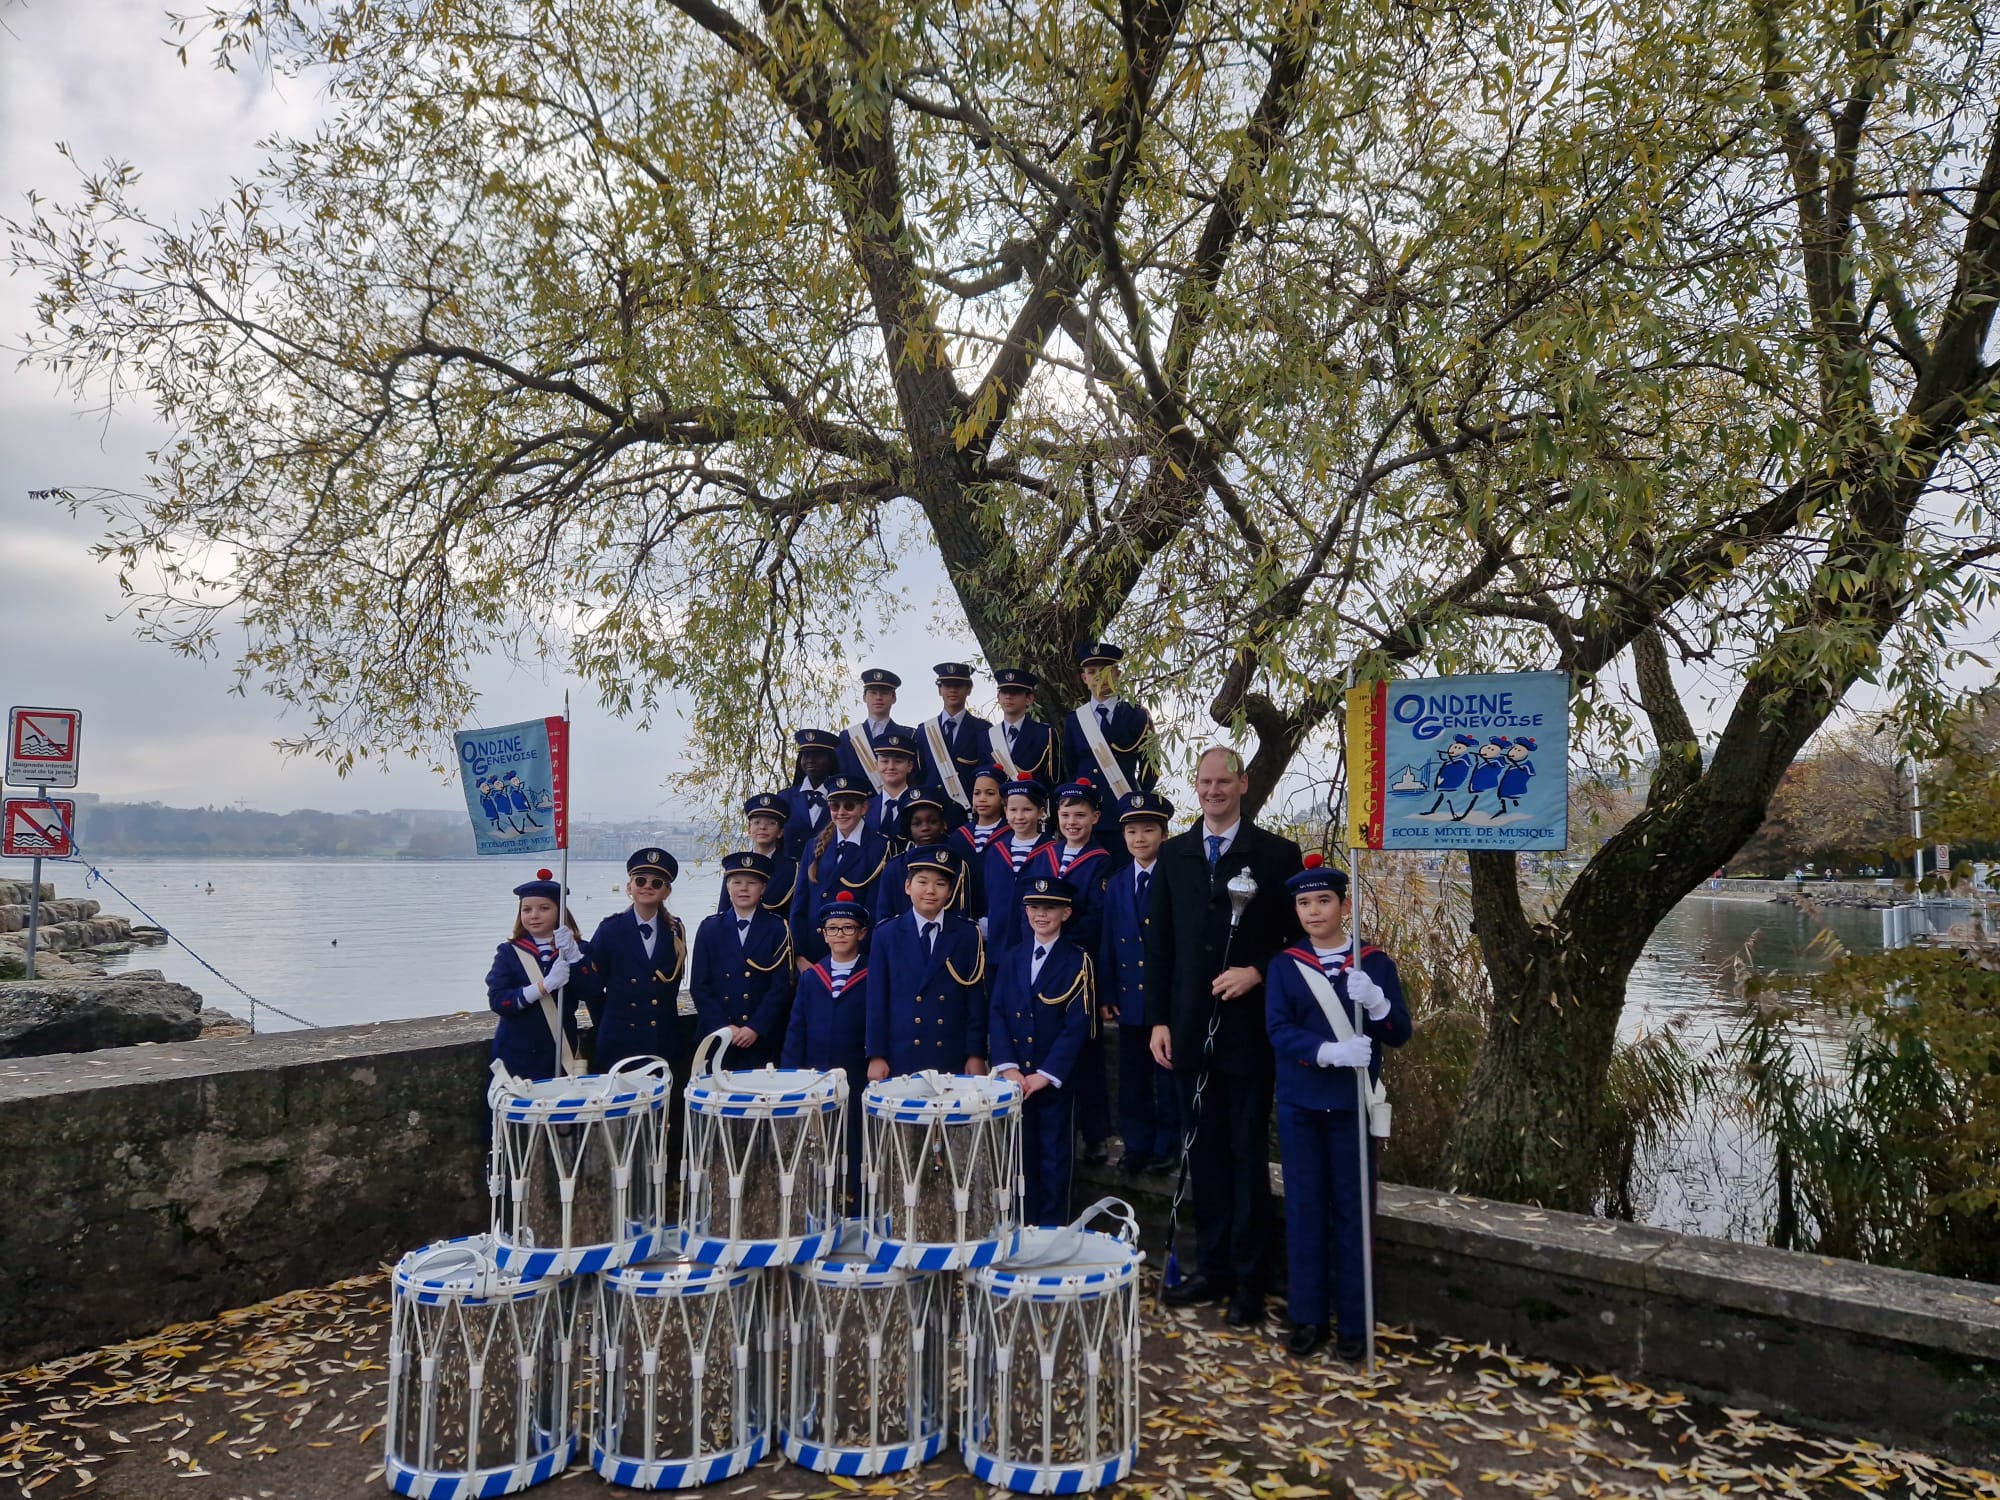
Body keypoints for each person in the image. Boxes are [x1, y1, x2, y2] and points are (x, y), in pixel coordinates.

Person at [1146, 746, 1303, 1326]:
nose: (1213, 791)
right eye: (1205, 782)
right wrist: (1159, 1020)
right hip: (1188, 1029)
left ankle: (1248, 1282)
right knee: (1203, 1156)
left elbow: (1298, 938)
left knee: (1245, 1157)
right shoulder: (1174, 854)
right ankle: (1209, 1269)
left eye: (1223, 782)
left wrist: (1257, 970)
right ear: (1196, 786)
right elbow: (1159, 944)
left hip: (1248, 1033)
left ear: (1242, 785)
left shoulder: (1276, 854)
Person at [1265, 855, 1412, 1360]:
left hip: (1353, 1106)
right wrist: (1329, 1052)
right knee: (1305, 1210)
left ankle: (1355, 1321)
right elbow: (1279, 1030)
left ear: (1344, 906)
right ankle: (1308, 1316)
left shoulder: (1374, 963)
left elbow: (1399, 1033)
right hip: (1301, 1103)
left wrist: (1377, 1004)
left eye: (1324, 901)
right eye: (1304, 903)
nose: (1313, 911)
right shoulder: (1285, 965)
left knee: (1354, 1213)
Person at [577, 849, 694, 1177]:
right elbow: (593, 988)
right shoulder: (610, 929)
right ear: (629, 887)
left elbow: (671, 987)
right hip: (620, 1039)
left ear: (666, 891)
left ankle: (660, 1182)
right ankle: (619, 1182)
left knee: (663, 1118)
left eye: (656, 883)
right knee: (619, 1119)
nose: (647, 887)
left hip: (662, 1039)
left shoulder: (676, 931)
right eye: (640, 880)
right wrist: (608, 1023)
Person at [989, 875, 1093, 1225]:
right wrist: (1008, 1067)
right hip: (1016, 1078)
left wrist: (1046, 1074)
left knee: (1054, 1159)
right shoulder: (1012, 957)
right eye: (1034, 907)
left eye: (1050, 908)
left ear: (1066, 913)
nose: (1041, 914)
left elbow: (1077, 1025)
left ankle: (1052, 1232)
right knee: (1018, 1157)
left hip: (1051, 1081)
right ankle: (1021, 1228)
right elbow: (997, 1012)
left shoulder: (1078, 961)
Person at [1026, 778, 1115, 1163]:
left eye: (1080, 815)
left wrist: (1062, 943)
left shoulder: (1102, 860)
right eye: (1066, 815)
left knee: (1086, 1048)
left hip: (1080, 962)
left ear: (1095, 817)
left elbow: (1098, 916)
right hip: (1040, 959)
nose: (1072, 822)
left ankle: (1094, 1134)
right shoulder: (1044, 854)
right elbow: (1027, 904)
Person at [1101, 790, 1178, 1177]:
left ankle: (1167, 1146)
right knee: (1133, 1078)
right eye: (1131, 831)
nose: (1139, 838)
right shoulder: (1117, 883)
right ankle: (1137, 1145)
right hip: (1129, 996)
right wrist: (1107, 991)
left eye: (1148, 830)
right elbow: (1108, 940)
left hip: (1165, 998)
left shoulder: (1176, 877)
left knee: (1167, 1074)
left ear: (1163, 834)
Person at [782, 890, 874, 1204]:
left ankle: (859, 1203)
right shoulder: (812, 978)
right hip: (816, 1076)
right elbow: (797, 1028)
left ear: (861, 933)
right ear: (823, 934)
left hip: (857, 1075)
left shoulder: (872, 974)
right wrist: (791, 1075)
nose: (840, 934)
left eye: (848, 928)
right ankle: (819, 1203)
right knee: (819, 1144)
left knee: (857, 1143)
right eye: (832, 928)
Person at [865, 845, 987, 1078]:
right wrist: (876, 1054)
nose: (930, 891)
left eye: (940, 884)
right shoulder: (886, 934)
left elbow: (975, 1002)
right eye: (922, 882)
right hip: (901, 1052)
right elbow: (876, 1001)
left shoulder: (967, 934)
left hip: (950, 1052)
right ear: (907, 886)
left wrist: (976, 1053)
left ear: (950, 892)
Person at [691, 850, 795, 1068]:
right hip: (718, 1037)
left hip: (760, 1036)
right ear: (728, 888)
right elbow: (699, 986)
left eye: (752, 883)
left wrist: (755, 1027)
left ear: (763, 888)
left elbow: (780, 986)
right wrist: (724, 1027)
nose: (744, 889)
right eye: (737, 882)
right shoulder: (709, 928)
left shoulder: (778, 928)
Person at [485, 868, 591, 1082]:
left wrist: (575, 958)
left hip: (560, 1050)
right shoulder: (508, 952)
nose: (534, 915)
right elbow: (498, 1001)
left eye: (544, 908)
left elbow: (591, 991)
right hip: (516, 1052)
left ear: (560, 911)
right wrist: (543, 987)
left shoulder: (577, 950)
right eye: (526, 909)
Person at [791, 776, 892, 966]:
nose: (841, 812)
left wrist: (863, 957)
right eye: (835, 806)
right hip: (813, 954)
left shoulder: (879, 847)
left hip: (857, 953)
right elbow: (800, 904)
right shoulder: (813, 845)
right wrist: (799, 955)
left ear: (864, 808)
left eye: (849, 806)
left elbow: (877, 908)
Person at [1062, 642, 1158, 795]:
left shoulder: (1137, 715)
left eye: (1105, 671)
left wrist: (1137, 798)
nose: (1099, 677)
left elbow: (1151, 766)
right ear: (1084, 678)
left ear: (1117, 674)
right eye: (1092, 672)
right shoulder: (1075, 720)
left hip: (1124, 801)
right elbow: (1070, 767)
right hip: (1087, 803)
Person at [983, 778, 1052, 956]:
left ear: (1041, 812)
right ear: (1005, 811)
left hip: (1035, 941)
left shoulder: (1051, 851)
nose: (1019, 817)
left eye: (1027, 810)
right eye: (1013, 810)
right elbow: (989, 892)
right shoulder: (996, 850)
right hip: (997, 941)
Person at [880, 787, 969, 919]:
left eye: (932, 821)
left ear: (943, 824)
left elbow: (961, 914)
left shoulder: (956, 864)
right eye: (916, 823)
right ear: (907, 828)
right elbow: (884, 916)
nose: (925, 828)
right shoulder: (894, 867)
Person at [918, 661, 993, 816]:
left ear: (969, 689)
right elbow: (919, 775)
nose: (952, 690)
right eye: (947, 685)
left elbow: (987, 773)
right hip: (932, 813)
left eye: (958, 685)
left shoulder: (983, 730)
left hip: (968, 813)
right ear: (939, 690)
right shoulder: (923, 731)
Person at [719, 793, 798, 917]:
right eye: (757, 822)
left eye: (771, 823)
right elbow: (723, 911)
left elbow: (797, 912)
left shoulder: (793, 869)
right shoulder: (736, 866)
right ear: (749, 830)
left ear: (780, 832)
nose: (763, 827)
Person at [837, 667, 914, 789]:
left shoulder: (908, 735)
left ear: (894, 698)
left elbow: (914, 776)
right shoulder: (847, 737)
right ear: (864, 697)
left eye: (884, 693)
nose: (878, 697)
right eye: (873, 693)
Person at [989, 668, 1059, 789]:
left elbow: (1054, 780)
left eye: (1015, 692)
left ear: (1029, 699)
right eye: (1004, 692)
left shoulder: (1044, 734)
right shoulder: (986, 737)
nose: (1008, 696)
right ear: (998, 698)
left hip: (1031, 799)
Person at [783, 729, 842, 858]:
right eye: (806, 755)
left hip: (830, 868)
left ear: (831, 759)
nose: (810, 760)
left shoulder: (844, 799)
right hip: (792, 869)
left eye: (818, 755)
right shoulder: (785, 798)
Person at [866, 731, 923, 844]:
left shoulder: (920, 806)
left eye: (898, 761)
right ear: (876, 765)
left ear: (910, 766)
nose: (891, 767)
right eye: (885, 761)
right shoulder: (865, 808)